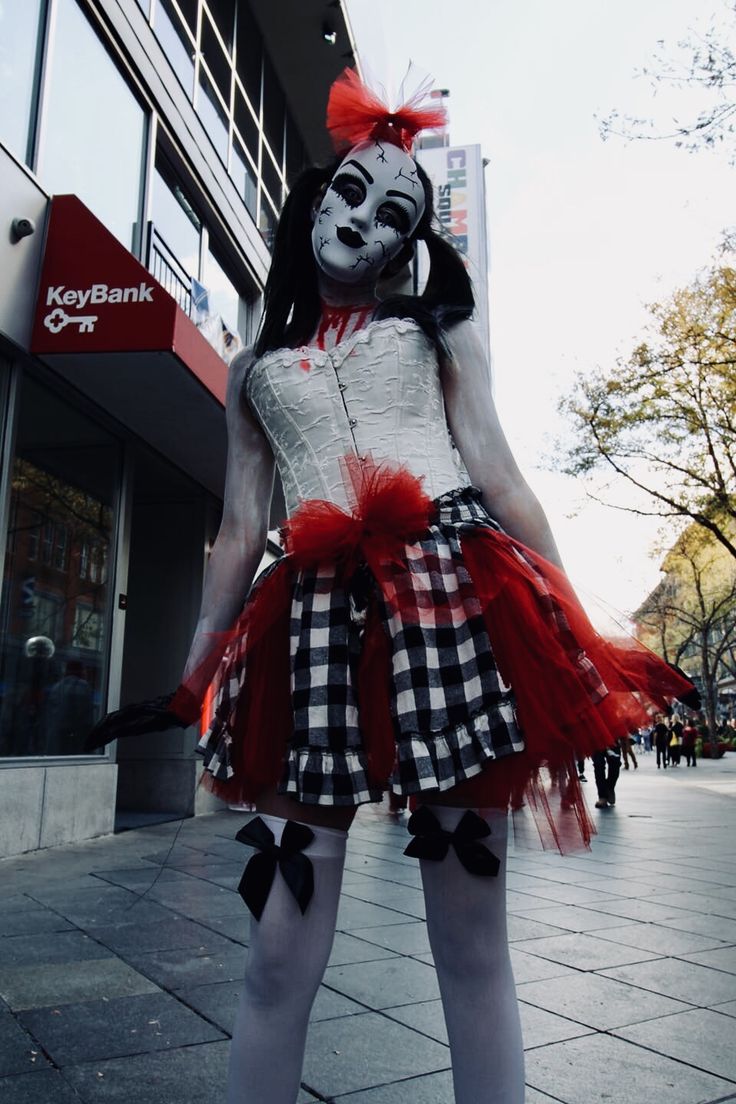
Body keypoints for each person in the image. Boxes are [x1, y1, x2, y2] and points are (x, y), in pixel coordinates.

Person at [85, 69, 696, 1104]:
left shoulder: (436, 333)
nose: (364, 223)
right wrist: (190, 683)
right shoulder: (252, 368)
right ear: (321, 197)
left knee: (468, 942)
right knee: (277, 952)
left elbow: (504, 481)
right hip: (308, 635)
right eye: (355, 195)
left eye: (395, 217)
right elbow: (238, 530)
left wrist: (579, 629)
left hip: (454, 610)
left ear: (409, 246)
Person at [592, 741, 621, 808]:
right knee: (598, 765)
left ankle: (610, 787)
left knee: (615, 763)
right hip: (595, 737)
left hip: (613, 735)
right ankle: (602, 796)